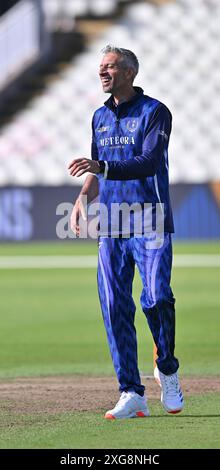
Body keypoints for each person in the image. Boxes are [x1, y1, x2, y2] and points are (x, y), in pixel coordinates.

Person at [68, 45, 184, 419]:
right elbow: (96, 165)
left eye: (110, 67)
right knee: (114, 305)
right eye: (100, 66)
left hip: (150, 219)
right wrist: (83, 196)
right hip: (112, 224)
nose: (103, 72)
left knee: (155, 299)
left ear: (130, 73)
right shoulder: (99, 116)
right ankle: (131, 392)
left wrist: (101, 167)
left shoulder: (155, 112)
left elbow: (149, 162)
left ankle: (166, 367)